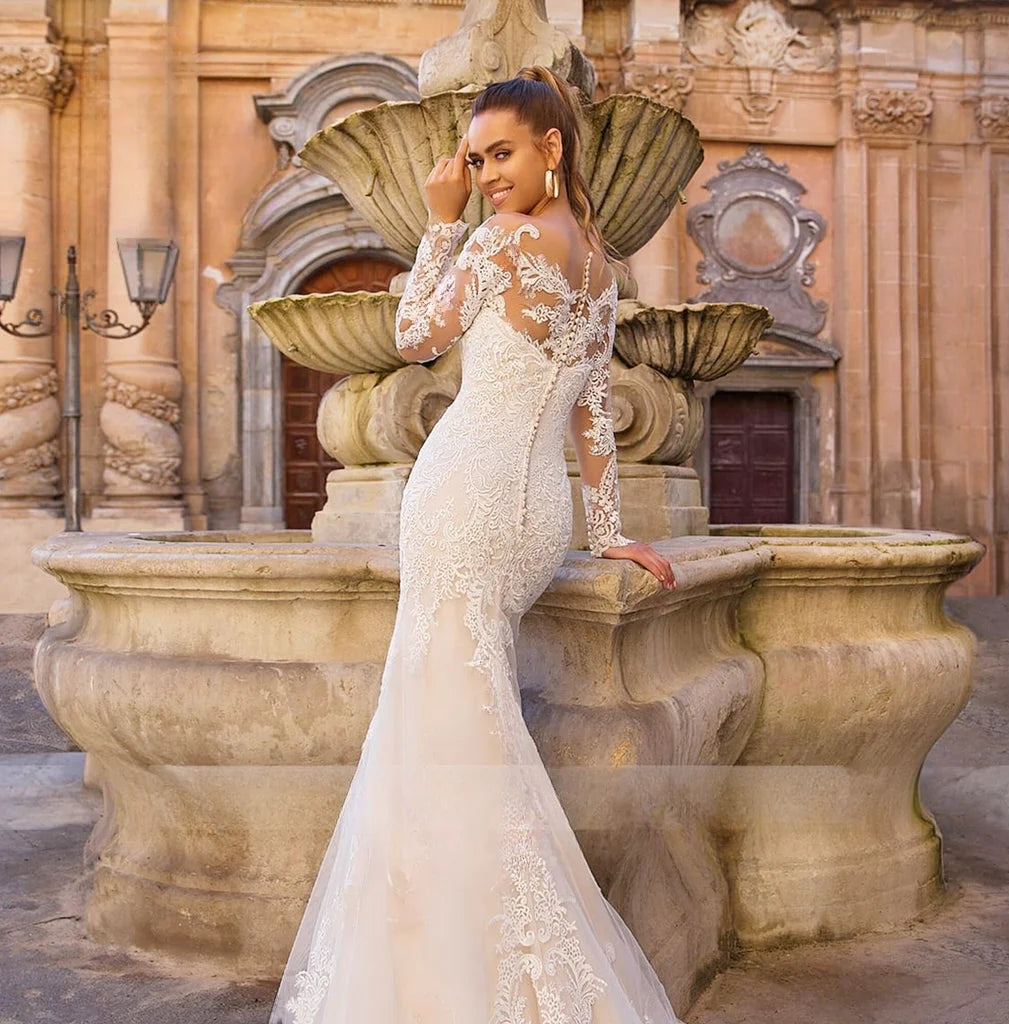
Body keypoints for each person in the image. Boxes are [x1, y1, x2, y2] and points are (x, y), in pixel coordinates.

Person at [270, 66, 683, 1024]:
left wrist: (438, 216)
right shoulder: (602, 269)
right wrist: (610, 533)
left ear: (554, 146)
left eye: (500, 154)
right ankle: (463, 954)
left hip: (461, 502)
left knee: (439, 734)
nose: (485, 172)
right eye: (474, 158)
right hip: (534, 516)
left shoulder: (501, 241)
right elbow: (592, 420)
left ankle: (459, 973)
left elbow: (414, 336)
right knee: (462, 726)